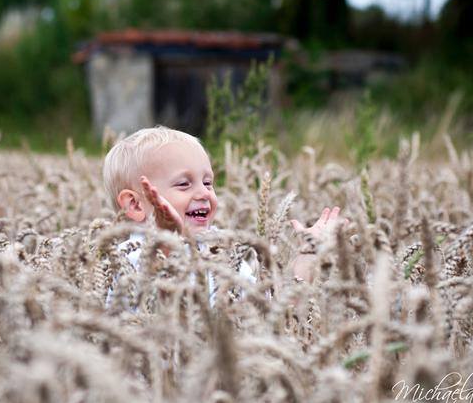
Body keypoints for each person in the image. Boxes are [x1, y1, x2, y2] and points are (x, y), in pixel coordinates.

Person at [101, 126, 342, 305]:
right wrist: (167, 237)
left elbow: (272, 313)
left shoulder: (222, 255)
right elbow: (159, 301)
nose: (204, 193)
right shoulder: (129, 261)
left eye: (208, 182)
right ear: (135, 204)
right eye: (184, 184)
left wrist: (308, 255)